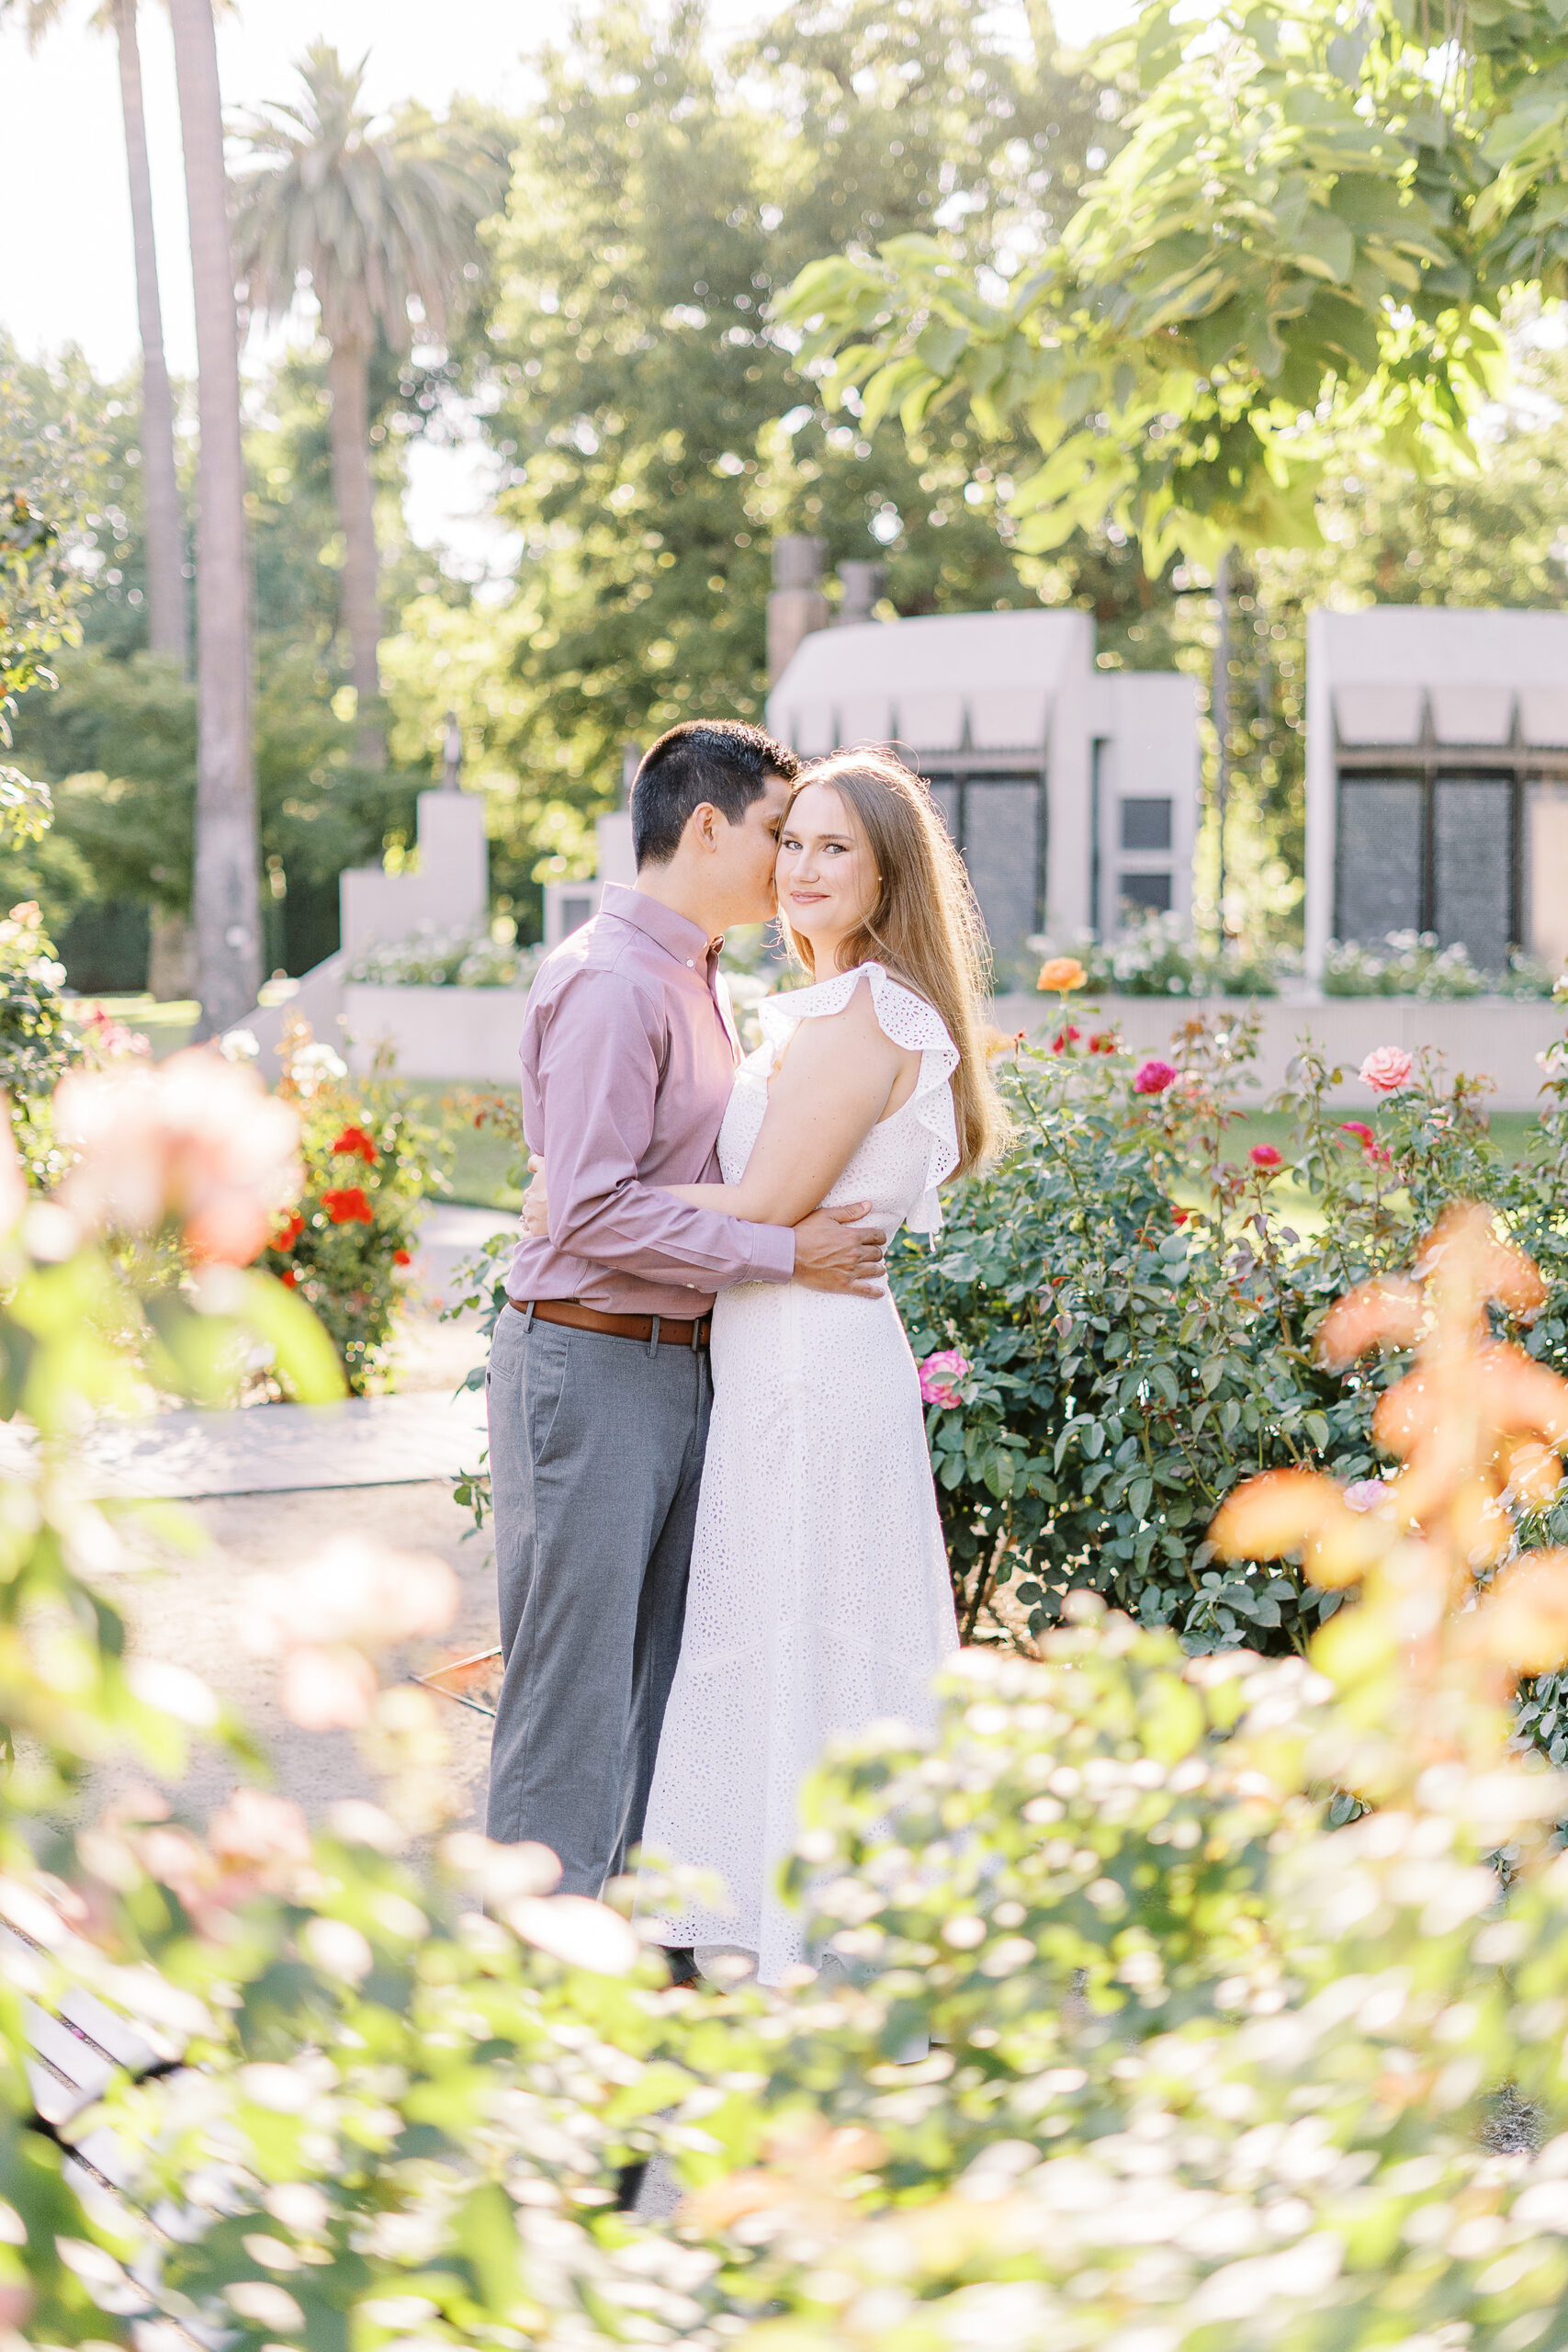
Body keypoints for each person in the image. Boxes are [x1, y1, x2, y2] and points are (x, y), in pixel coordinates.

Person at [522, 747, 1008, 1983]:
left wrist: (578, 1207)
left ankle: (818, 1932)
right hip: (764, 1350)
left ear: (890, 873)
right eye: (792, 839)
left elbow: (772, 1203)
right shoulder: (752, 1000)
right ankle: (732, 1919)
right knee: (762, 1628)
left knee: (804, 1626)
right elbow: (748, 1214)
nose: (799, 865)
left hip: (802, 1361)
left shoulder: (862, 1016)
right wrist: (585, 1205)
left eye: (833, 845)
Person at [487, 719, 887, 1904]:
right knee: (572, 1689)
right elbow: (591, 1218)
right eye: (777, 832)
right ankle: (525, 1982)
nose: (790, 862)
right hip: (590, 1361)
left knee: (664, 1675)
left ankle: (617, 1949)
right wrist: (780, 1252)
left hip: (681, 1361)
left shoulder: (696, 975)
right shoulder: (613, 981)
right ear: (706, 825)